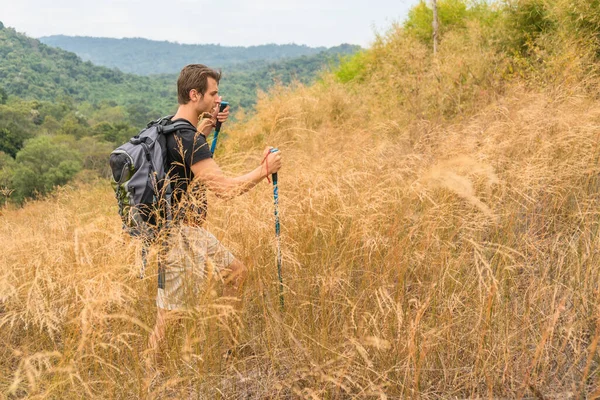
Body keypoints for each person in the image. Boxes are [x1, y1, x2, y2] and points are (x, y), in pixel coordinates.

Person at [147, 64, 282, 356]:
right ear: (195, 94)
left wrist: (206, 128)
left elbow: (183, 165)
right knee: (169, 318)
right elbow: (224, 189)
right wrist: (264, 170)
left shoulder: (171, 127)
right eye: (213, 93)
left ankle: (228, 347)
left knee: (236, 272)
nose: (217, 99)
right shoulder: (190, 138)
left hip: (184, 230)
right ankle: (148, 374)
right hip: (178, 237)